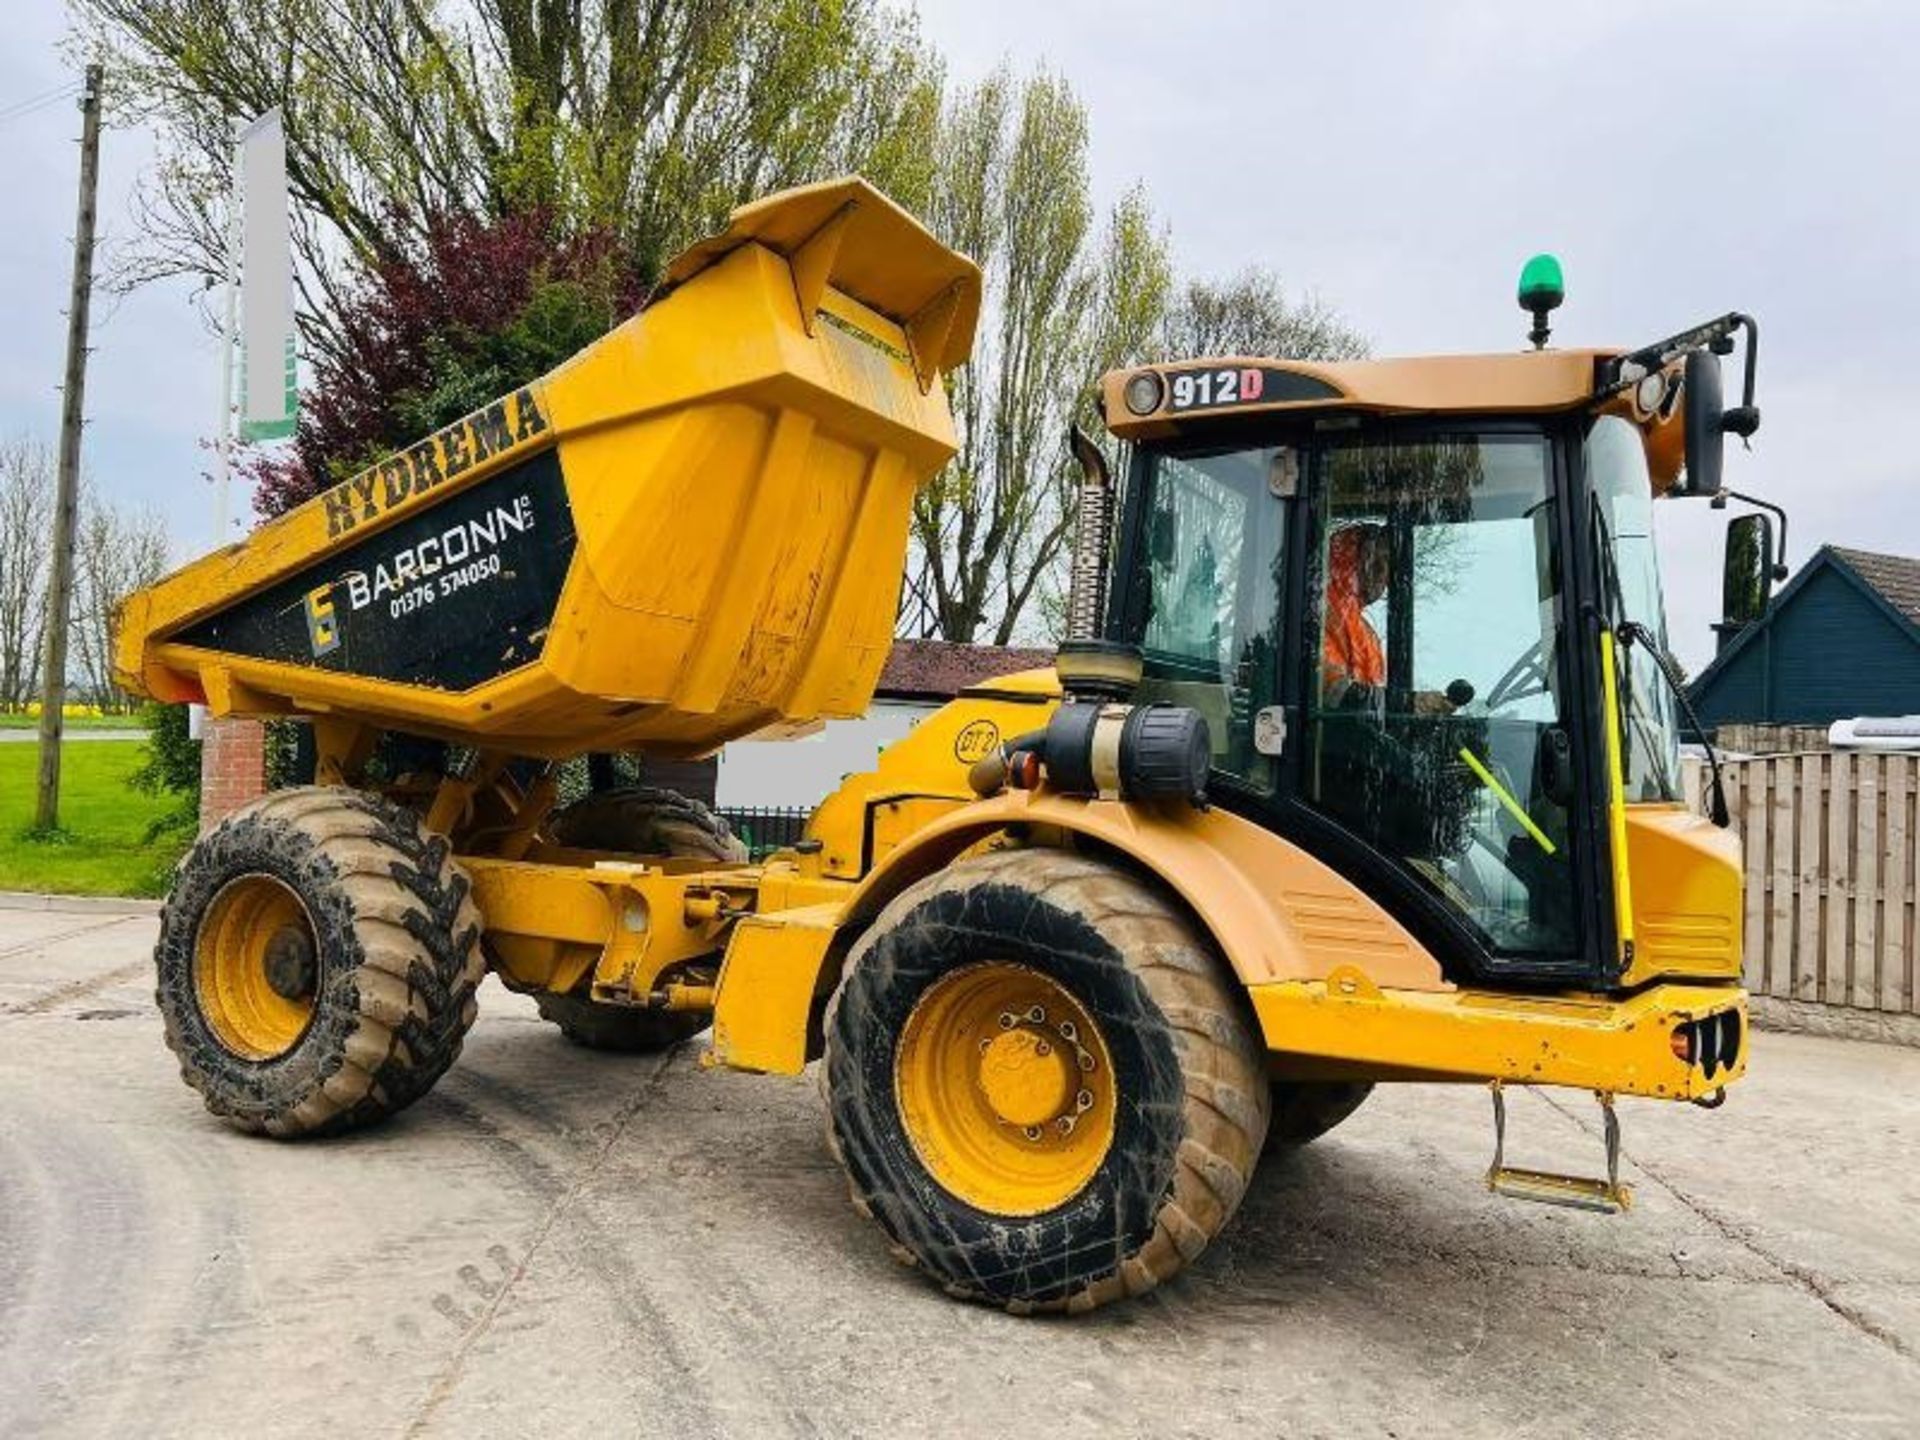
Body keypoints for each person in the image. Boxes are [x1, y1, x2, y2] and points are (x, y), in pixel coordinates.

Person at [1321, 522, 1453, 715]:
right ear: (1350, 557)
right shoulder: (1314, 612)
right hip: (1312, 740)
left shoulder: (1366, 634)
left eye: (1390, 566)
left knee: (1468, 745)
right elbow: (1326, 689)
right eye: (1377, 559)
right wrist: (1408, 704)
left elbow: (1371, 705)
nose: (1384, 573)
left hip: (1354, 740)